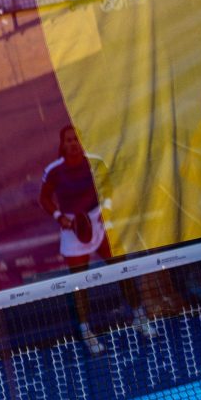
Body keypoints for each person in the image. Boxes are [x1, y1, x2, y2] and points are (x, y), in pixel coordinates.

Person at [39, 125, 156, 355]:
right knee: (79, 284)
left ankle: (139, 317)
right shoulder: (54, 170)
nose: (73, 143)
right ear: (63, 144)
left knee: (122, 270)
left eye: (76, 139)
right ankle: (86, 332)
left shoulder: (96, 162)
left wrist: (107, 210)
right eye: (69, 140)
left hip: (99, 221)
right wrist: (59, 217)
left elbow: (108, 188)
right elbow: (44, 198)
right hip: (73, 227)